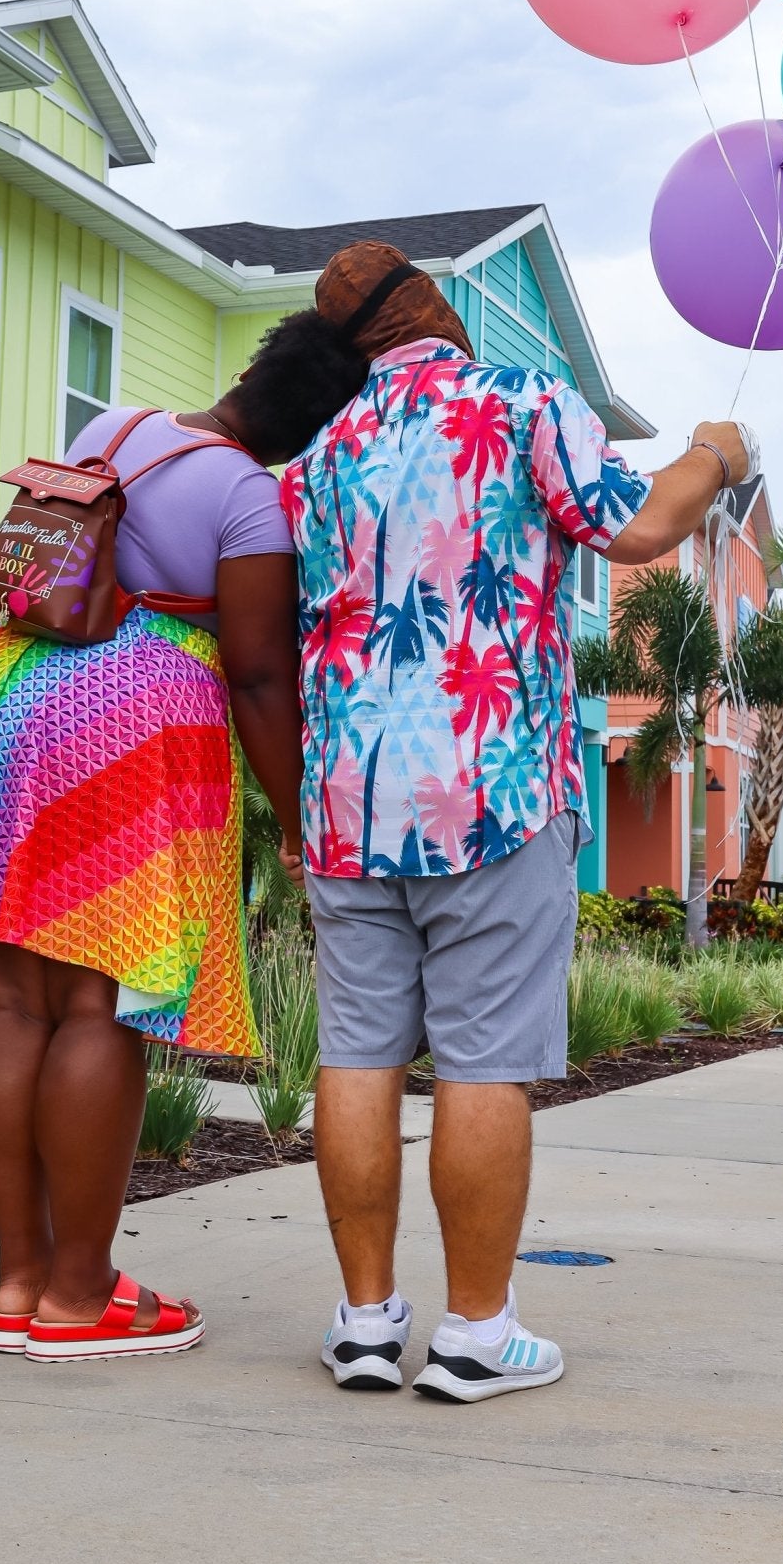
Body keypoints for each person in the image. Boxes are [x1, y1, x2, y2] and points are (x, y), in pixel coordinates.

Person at [279, 242, 755, 1402]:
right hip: (493, 786)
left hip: (347, 791)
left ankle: (362, 1322)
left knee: (357, 1053)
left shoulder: (317, 457)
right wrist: (713, 452)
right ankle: (477, 1332)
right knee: (485, 1062)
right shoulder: (521, 399)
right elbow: (634, 530)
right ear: (431, 307)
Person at [0, 310, 367, 1364]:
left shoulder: (119, 422)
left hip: (3, 695)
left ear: (253, 370)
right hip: (128, 722)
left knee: (12, 996)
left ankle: (19, 1277)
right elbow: (262, 672)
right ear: (316, 427)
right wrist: (293, 814)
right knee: (99, 1001)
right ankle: (82, 1292)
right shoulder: (249, 498)